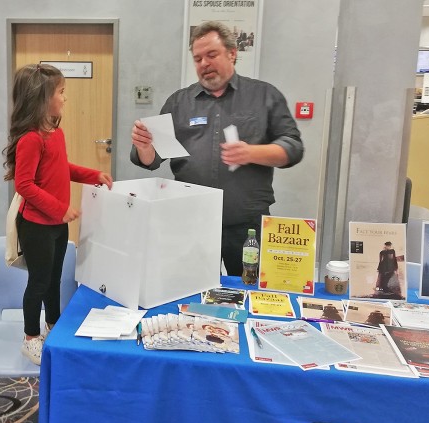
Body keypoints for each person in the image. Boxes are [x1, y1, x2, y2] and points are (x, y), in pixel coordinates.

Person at [130, 20, 303, 277]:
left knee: (248, 289)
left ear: (232, 54)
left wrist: (253, 153)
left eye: (211, 55)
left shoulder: (264, 95)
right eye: (197, 58)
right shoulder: (179, 102)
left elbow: (293, 147)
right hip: (191, 221)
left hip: (247, 224)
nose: (204, 64)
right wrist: (144, 146)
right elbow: (152, 159)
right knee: (190, 289)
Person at [3, 64, 113, 365]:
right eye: (61, 92)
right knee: (38, 282)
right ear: (41, 98)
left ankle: (53, 326)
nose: (65, 98)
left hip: (55, 224)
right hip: (37, 225)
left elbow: (62, 169)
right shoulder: (30, 139)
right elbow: (24, 185)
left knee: (54, 279)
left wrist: (93, 174)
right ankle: (30, 337)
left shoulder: (54, 133)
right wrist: (59, 208)